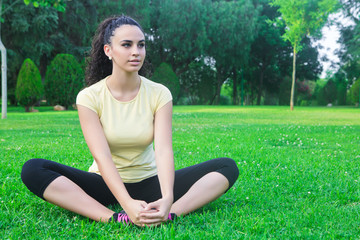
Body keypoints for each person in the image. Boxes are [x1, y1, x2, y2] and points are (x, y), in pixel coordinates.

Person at [21, 16, 239, 227]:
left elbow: (163, 150)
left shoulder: (159, 93)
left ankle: (169, 215)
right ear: (108, 50)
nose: (136, 52)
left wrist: (168, 198)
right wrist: (126, 204)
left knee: (227, 166)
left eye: (141, 45)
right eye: (127, 45)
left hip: (150, 182)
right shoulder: (89, 97)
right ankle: (115, 217)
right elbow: (102, 156)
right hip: (103, 183)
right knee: (33, 169)